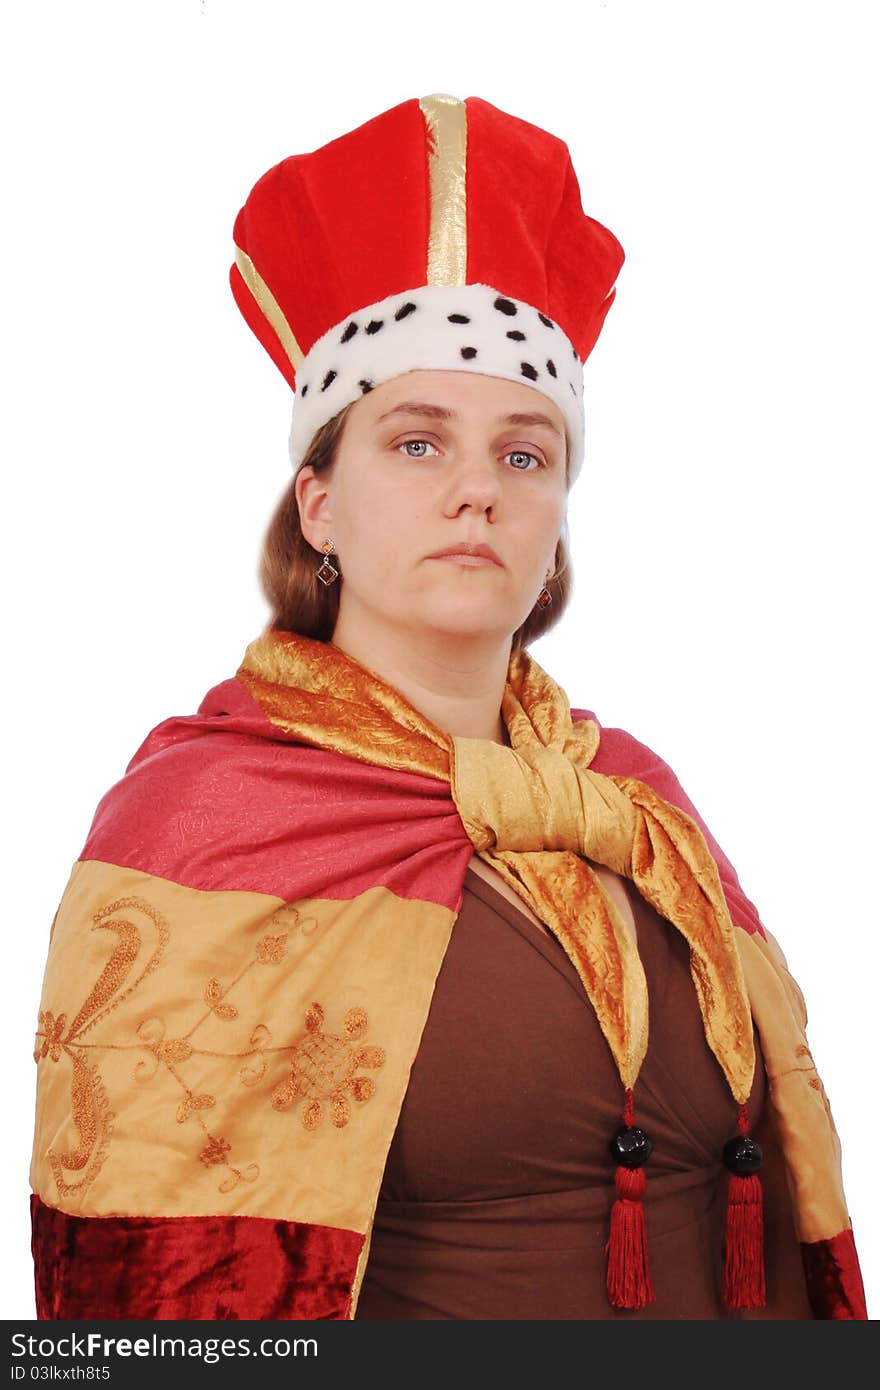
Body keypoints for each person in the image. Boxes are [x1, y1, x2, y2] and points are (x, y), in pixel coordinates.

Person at [28, 93, 866, 1321]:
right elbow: (153, 1289)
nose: (477, 488)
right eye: (416, 444)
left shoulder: (633, 803)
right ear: (317, 503)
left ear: (557, 515)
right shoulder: (203, 821)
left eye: (524, 454)